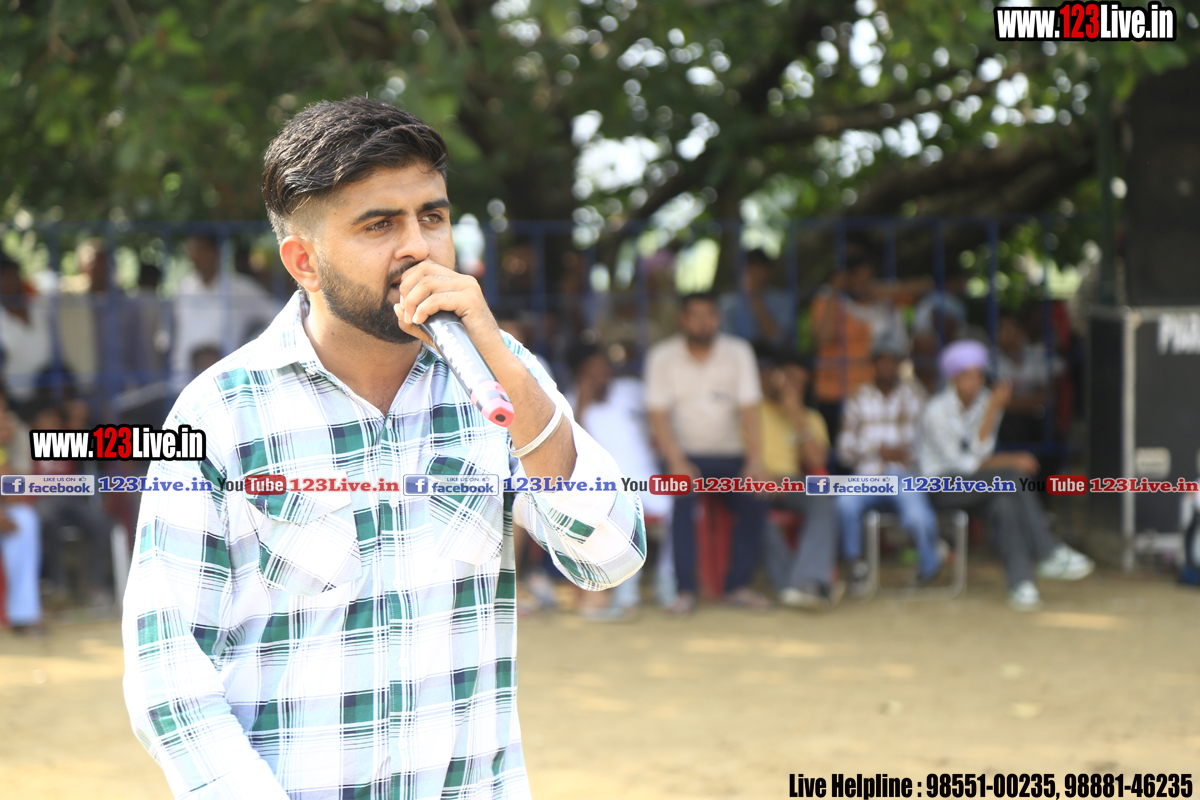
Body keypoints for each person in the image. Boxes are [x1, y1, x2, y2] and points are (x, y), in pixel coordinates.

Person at [121, 97, 645, 800]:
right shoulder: (220, 415)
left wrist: (503, 363)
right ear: (304, 261)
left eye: (432, 216)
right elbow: (167, 671)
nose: (418, 247)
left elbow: (610, 556)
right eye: (379, 225)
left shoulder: (502, 379)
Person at [916, 339, 1093, 611]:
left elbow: (980, 451)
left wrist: (992, 409)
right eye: (968, 376)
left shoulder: (986, 402)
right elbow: (960, 464)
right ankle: (1047, 550)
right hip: (940, 487)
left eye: (979, 376)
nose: (975, 382)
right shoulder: (935, 411)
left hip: (973, 485)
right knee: (1011, 476)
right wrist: (1008, 459)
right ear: (953, 378)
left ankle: (1022, 585)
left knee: (1005, 504)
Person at [644, 291, 770, 614]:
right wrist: (677, 462)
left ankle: (737, 586)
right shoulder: (662, 357)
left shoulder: (738, 352)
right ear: (682, 320)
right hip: (682, 455)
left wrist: (755, 461)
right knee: (681, 498)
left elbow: (750, 410)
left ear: (718, 318)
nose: (703, 323)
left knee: (756, 494)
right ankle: (684, 590)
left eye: (709, 315)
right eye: (696, 316)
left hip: (731, 455)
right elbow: (658, 415)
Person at [567, 341, 673, 619]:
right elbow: (573, 452)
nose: (601, 375)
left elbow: (659, 417)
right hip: (606, 487)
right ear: (579, 374)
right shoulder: (567, 400)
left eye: (604, 368)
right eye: (592, 370)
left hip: (648, 480)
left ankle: (667, 586)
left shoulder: (631, 390)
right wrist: (582, 404)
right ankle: (627, 598)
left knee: (678, 512)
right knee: (624, 517)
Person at [836, 336, 942, 595]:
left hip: (904, 475)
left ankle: (929, 567)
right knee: (843, 504)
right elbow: (844, 451)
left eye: (892, 360)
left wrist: (905, 454)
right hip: (868, 474)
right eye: (882, 360)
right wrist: (876, 450)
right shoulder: (858, 398)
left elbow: (929, 445)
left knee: (918, 517)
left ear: (899, 364)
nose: (887, 366)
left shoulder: (916, 396)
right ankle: (856, 566)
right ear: (873, 363)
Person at [756, 350, 843, 609]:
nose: (793, 386)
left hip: (793, 482)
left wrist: (795, 412)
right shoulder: (751, 410)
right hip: (754, 480)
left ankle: (805, 582)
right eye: (788, 378)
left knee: (824, 500)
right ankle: (795, 586)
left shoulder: (810, 417)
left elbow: (817, 461)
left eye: (800, 383)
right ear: (773, 376)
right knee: (752, 514)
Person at [169, 233, 281, 388]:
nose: (195, 256)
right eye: (191, 251)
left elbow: (278, 314)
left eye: (200, 250)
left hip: (227, 382)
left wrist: (252, 347)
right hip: (184, 381)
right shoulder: (185, 288)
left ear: (215, 252)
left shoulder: (240, 288)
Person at [0, 382, 42, 634]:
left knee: (24, 520)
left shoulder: (11, 433)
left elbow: (17, 494)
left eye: (3, 408)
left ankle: (23, 616)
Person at [0, 254, 52, 408]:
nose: (12, 282)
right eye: (5, 277)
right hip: (16, 402)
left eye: (15, 275)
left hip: (49, 396)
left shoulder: (40, 308)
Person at [719, 248, 794, 349]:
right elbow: (726, 341)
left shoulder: (782, 300)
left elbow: (777, 339)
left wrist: (754, 297)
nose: (754, 274)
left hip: (770, 356)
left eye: (758, 269)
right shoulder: (727, 302)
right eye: (749, 269)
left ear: (769, 271)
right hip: (737, 354)